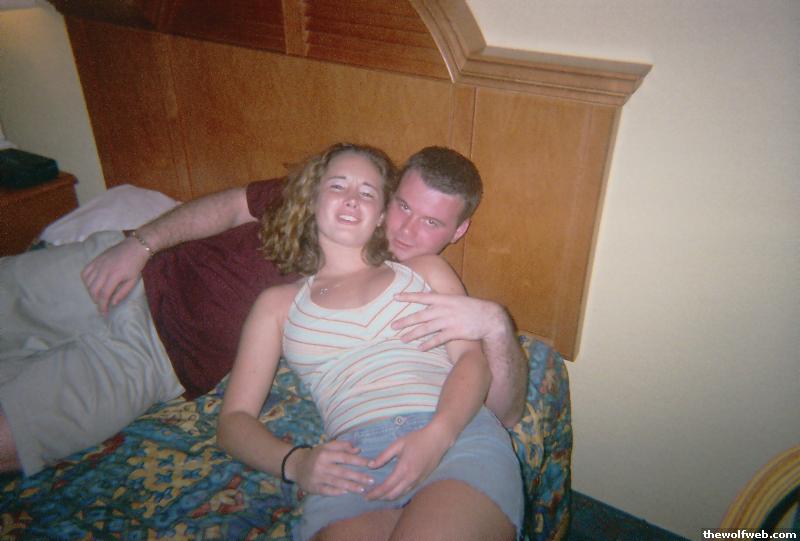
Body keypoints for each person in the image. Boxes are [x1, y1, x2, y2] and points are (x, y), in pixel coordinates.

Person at [0, 145, 527, 477]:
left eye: (432, 223)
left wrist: (496, 326)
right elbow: (230, 205)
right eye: (402, 206)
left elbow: (500, 411)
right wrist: (140, 244)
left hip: (158, 358)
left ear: (458, 232)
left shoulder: (422, 280)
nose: (407, 230)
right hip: (135, 268)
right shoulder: (335, 189)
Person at [217, 142, 522, 540]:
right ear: (312, 198)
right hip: (352, 461)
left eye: (366, 192)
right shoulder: (277, 306)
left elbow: (471, 360)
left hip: (453, 433)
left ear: (379, 214)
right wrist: (297, 463)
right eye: (338, 185)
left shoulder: (426, 271)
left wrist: (438, 434)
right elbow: (233, 421)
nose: (351, 199)